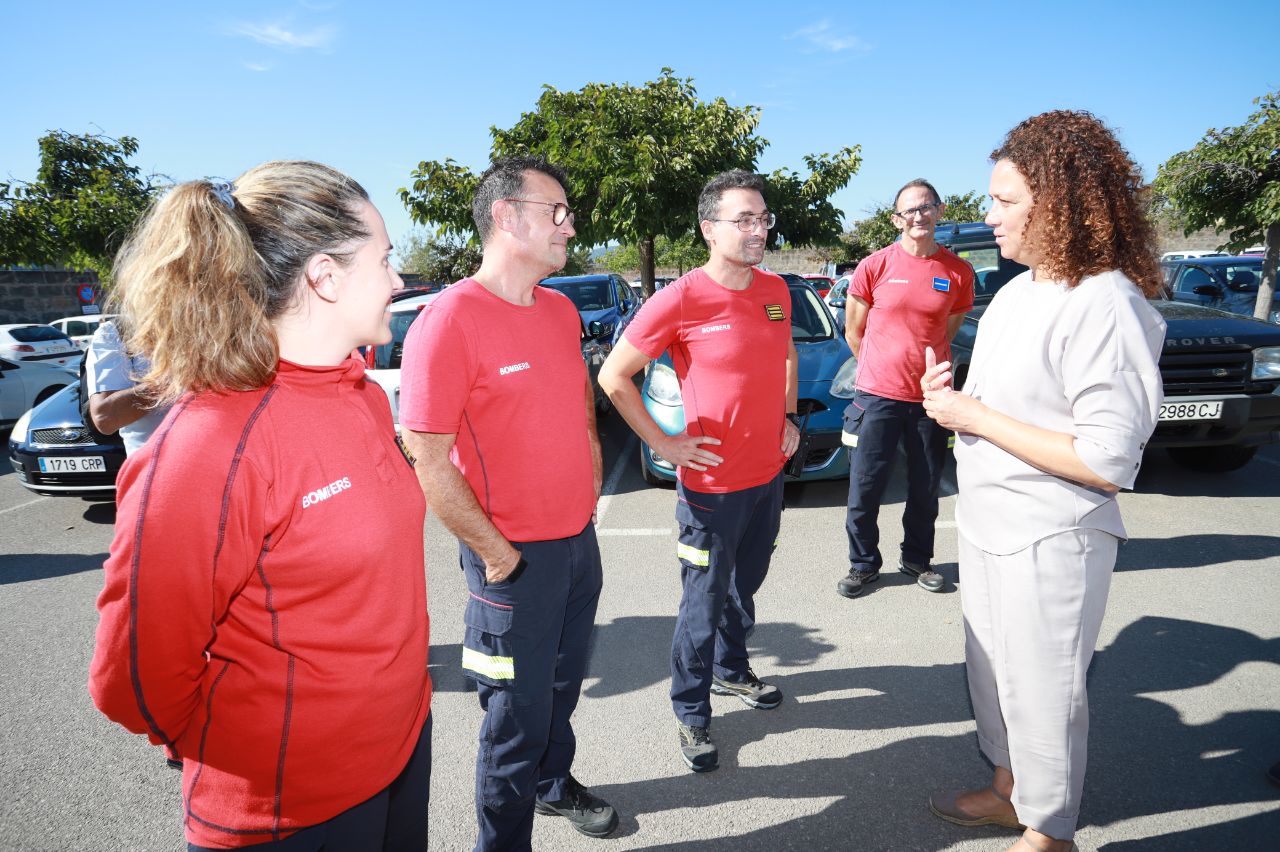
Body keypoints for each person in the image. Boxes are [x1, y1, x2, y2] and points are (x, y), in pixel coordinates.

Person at [88, 162, 433, 851]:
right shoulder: (209, 443)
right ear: (324, 277)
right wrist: (238, 736)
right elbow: (132, 680)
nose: (400, 281)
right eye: (387, 259)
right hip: (286, 808)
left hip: (400, 754)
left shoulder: (361, 397)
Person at [921, 111, 1165, 852]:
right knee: (993, 678)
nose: (987, 215)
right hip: (993, 524)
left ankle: (1050, 833)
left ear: (1061, 204)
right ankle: (1009, 791)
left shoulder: (1107, 301)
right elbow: (1011, 403)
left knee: (1045, 692)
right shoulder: (1022, 291)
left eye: (1005, 201)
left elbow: (1105, 460)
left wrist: (974, 415)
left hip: (1053, 534)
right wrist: (956, 402)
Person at [397, 156, 617, 850]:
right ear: (506, 215)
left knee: (561, 689)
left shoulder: (558, 309)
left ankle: (555, 784)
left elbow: (579, 404)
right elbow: (426, 456)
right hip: (512, 561)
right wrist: (498, 555)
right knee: (513, 720)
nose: (570, 226)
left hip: (578, 543)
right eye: (557, 211)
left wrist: (587, 477)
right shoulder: (447, 320)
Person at [598, 170, 800, 773]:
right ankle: (691, 709)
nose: (758, 229)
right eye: (744, 219)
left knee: (746, 586)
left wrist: (788, 415)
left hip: (768, 477)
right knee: (702, 601)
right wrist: (665, 442)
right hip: (710, 488)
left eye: (763, 217)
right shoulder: (680, 297)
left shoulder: (777, 291)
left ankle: (732, 670)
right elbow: (614, 376)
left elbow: (785, 353)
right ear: (709, 229)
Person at [837, 179, 975, 599]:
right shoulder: (874, 266)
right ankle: (863, 565)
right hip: (877, 396)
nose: (918, 216)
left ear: (940, 210)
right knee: (865, 487)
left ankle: (918, 560)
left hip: (930, 398)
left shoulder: (957, 271)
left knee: (925, 486)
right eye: (909, 210)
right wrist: (881, 368)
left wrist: (920, 370)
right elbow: (853, 331)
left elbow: (945, 330)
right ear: (897, 219)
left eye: (926, 207)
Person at [84, 319, 167, 454]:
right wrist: (174, 378)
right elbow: (105, 418)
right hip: (155, 466)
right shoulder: (117, 332)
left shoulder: (207, 324)